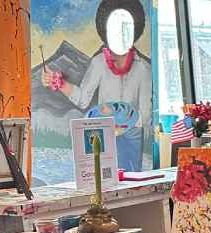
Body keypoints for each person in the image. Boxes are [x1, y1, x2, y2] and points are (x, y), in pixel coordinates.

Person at [42, 0, 153, 170]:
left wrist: (122, 123)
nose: (120, 32)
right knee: (102, 182)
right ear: (105, 30)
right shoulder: (98, 63)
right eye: (114, 27)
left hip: (131, 140)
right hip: (102, 134)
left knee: (132, 186)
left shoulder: (143, 68)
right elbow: (82, 100)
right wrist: (59, 83)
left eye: (125, 26)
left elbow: (145, 115)